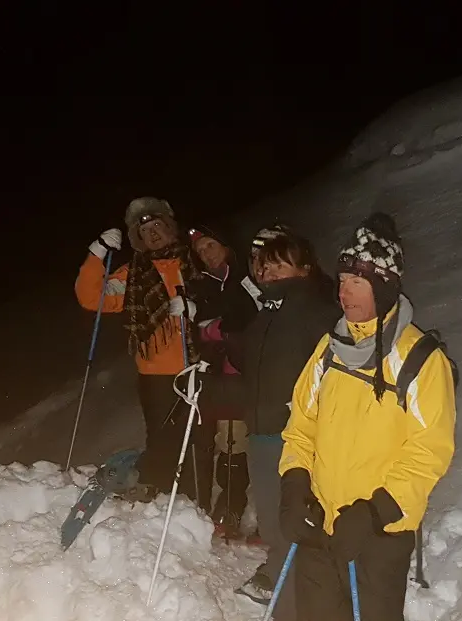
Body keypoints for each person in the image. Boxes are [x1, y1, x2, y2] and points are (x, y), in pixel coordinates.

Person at [278, 213, 457, 621]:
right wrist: (294, 484)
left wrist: (374, 513)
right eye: (342, 281)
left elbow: (430, 453)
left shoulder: (420, 360)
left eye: (357, 282)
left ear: (384, 286)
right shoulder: (329, 349)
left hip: (379, 535)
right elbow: (300, 427)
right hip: (321, 525)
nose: (345, 292)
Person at [218, 230, 341, 612]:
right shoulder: (266, 314)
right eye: (265, 265)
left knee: (296, 519)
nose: (270, 272)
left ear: (304, 268)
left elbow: (335, 376)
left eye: (280, 264)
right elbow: (255, 378)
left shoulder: (319, 312)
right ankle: (282, 581)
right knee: (273, 522)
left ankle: (304, 596)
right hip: (262, 433)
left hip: (296, 435)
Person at [74, 197, 199, 498]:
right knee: (162, 436)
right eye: (145, 232)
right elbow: (93, 297)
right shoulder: (132, 276)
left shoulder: (194, 263)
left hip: (201, 365)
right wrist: (97, 252)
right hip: (156, 372)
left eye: (158, 226)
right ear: (139, 240)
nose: (153, 234)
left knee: (197, 441)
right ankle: (157, 490)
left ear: (171, 228)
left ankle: (196, 499)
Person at [186, 224, 258, 531]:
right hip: (216, 377)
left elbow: (253, 316)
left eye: (210, 246)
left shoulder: (246, 278)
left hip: (246, 374)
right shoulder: (202, 287)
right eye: (200, 252)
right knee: (222, 441)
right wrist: (200, 324)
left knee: (239, 442)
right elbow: (198, 332)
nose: (206, 255)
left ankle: (237, 505)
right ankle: (223, 504)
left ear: (226, 246)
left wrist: (213, 327)